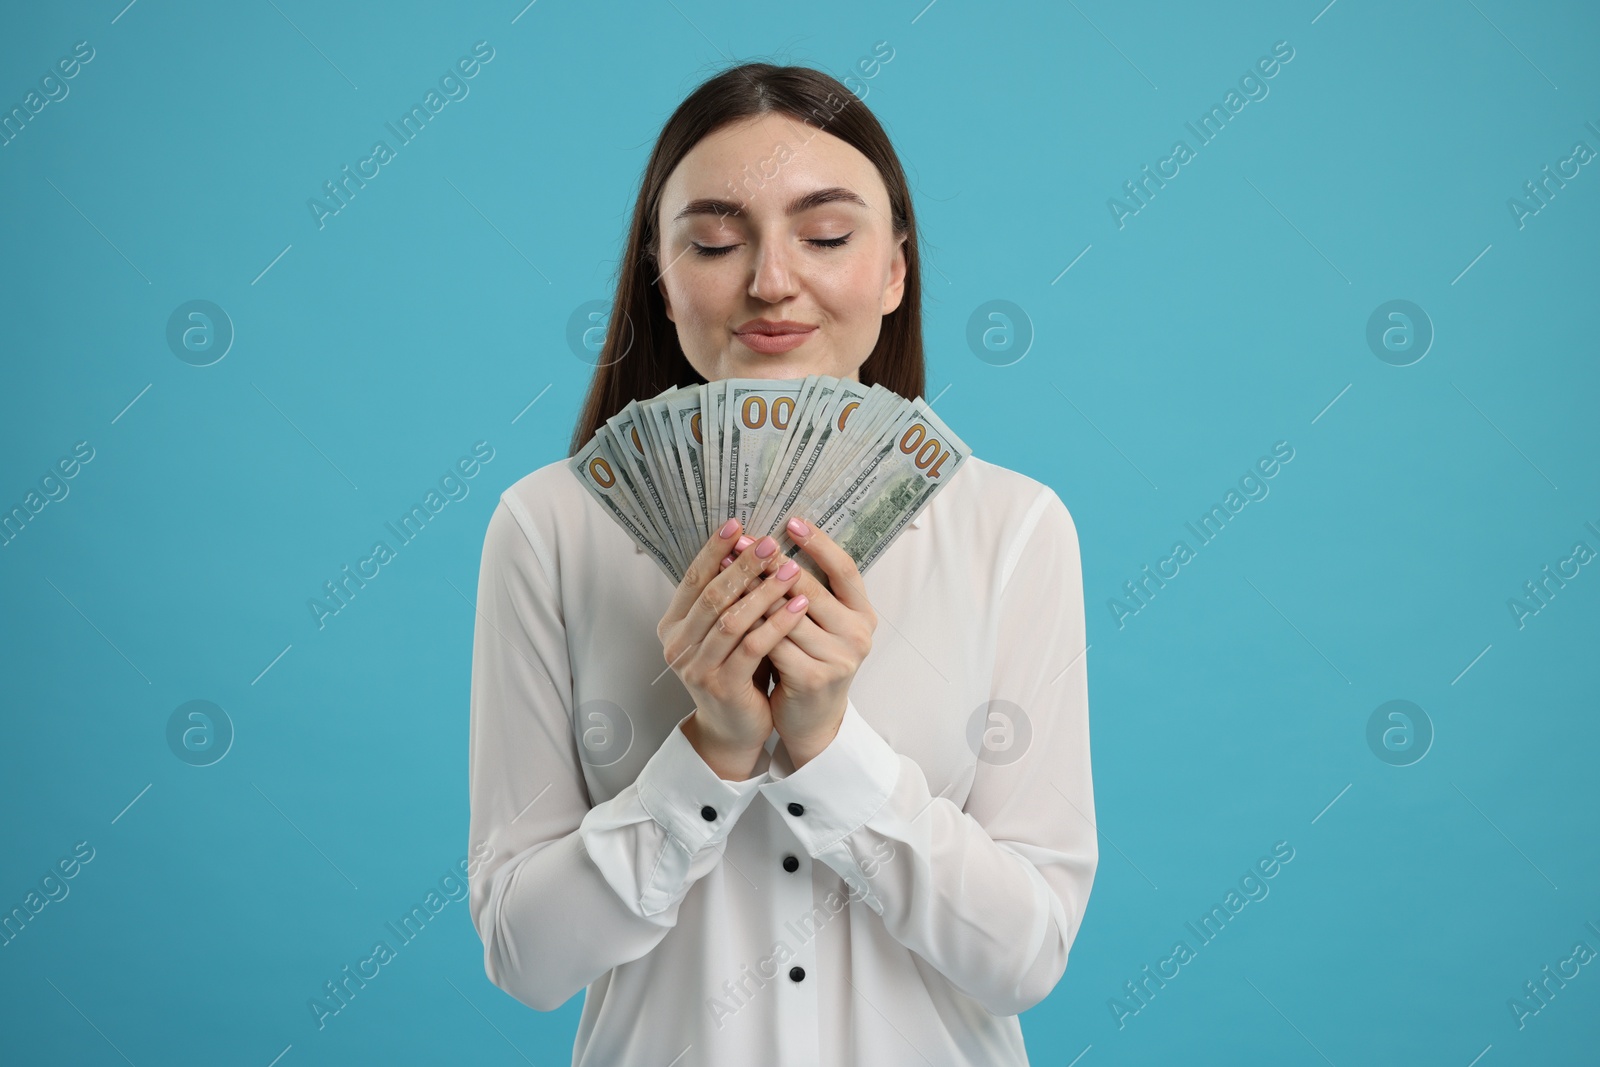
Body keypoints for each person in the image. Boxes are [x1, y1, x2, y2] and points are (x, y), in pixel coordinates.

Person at [466, 61, 1096, 1066]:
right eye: (714, 241)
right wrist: (708, 753)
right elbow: (525, 956)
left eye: (828, 234)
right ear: (658, 277)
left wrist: (828, 744)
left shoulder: (1012, 527)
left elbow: (1025, 954)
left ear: (895, 268)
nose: (769, 279)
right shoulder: (549, 527)